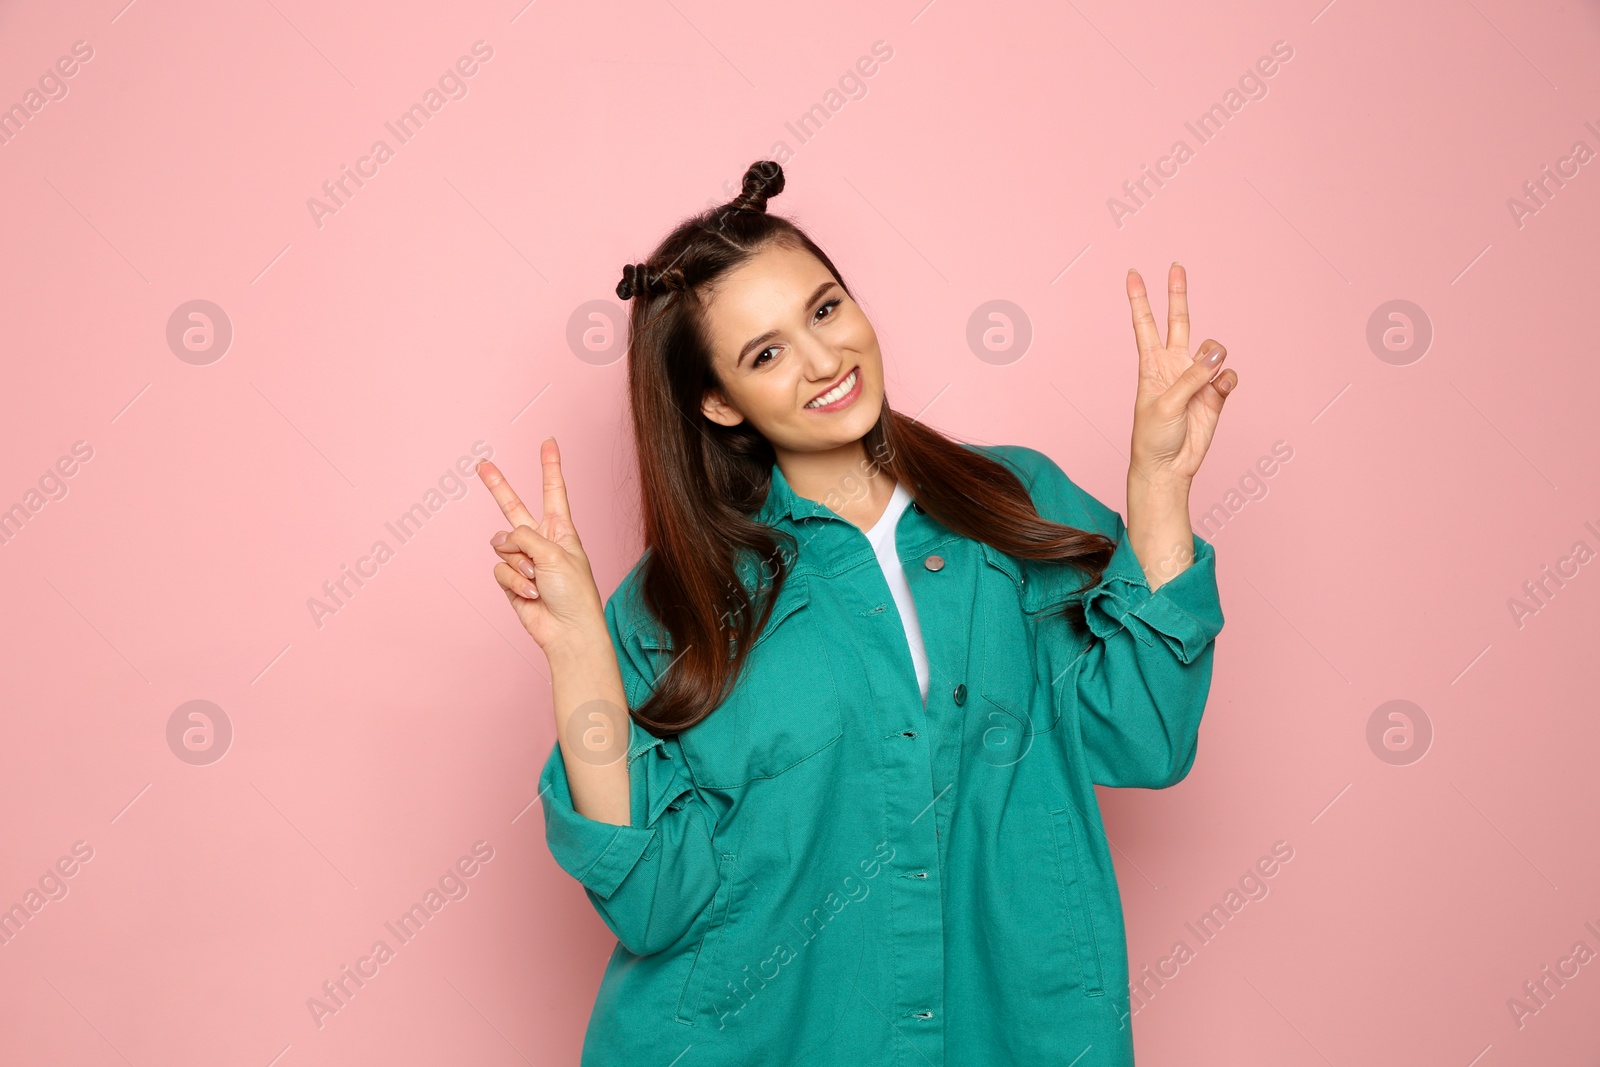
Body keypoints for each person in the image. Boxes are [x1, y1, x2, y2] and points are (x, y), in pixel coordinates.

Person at [476, 160, 1236, 1066]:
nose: (824, 360)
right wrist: (573, 649)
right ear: (717, 402)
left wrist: (1157, 486)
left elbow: (1145, 738)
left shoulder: (1013, 502)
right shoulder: (667, 603)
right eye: (766, 353)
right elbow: (653, 902)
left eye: (825, 309)